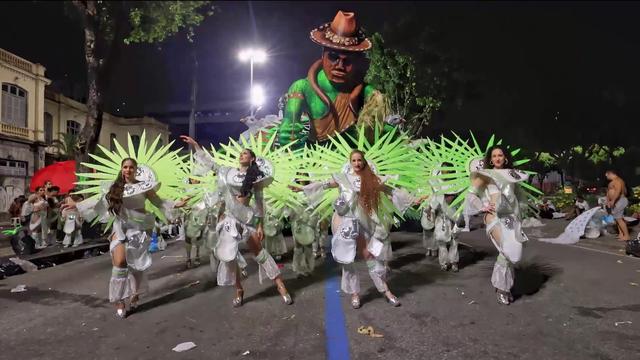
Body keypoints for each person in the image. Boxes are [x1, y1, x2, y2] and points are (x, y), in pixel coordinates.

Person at [62, 158, 186, 318]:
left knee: (135, 266)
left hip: (139, 230)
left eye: (131, 167)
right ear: (122, 169)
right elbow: (98, 201)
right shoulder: (115, 188)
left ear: (136, 170)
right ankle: (119, 299)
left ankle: (134, 294)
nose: (128, 170)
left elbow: (158, 201)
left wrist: (176, 204)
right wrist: (77, 205)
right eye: (125, 167)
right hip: (120, 228)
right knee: (120, 263)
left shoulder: (144, 186)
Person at [182, 135, 293, 307]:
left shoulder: (256, 177)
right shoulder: (227, 172)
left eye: (246, 153)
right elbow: (211, 163)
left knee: (260, 253)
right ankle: (239, 289)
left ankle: (280, 284)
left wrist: (260, 224)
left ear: (252, 159)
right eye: (240, 153)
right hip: (229, 218)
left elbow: (258, 202)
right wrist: (196, 145)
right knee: (229, 257)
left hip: (246, 218)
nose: (241, 155)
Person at [295, 150, 414, 309]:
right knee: (347, 260)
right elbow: (325, 184)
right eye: (354, 160)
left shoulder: (371, 179)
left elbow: (389, 190)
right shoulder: (343, 179)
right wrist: (303, 189)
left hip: (364, 222)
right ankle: (355, 294)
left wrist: (411, 199)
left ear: (364, 162)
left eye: (359, 160)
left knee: (370, 256)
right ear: (350, 162)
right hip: (345, 223)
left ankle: (386, 290)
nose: (357, 163)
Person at [469, 145, 529, 305]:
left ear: (505, 158)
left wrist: (520, 212)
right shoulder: (485, 175)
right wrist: (482, 207)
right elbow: (471, 194)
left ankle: (504, 286)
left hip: (511, 218)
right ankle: (502, 289)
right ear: (490, 159)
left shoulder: (512, 175)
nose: (497, 158)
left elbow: (520, 197)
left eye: (500, 155)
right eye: (494, 156)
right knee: (508, 251)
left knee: (513, 253)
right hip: (494, 218)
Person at [605, 169, 630, 241]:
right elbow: (608, 192)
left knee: (619, 218)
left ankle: (627, 236)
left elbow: (618, 191)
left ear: (610, 174)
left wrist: (613, 200)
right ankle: (621, 234)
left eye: (607, 175)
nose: (606, 177)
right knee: (617, 218)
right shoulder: (612, 182)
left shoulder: (618, 180)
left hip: (619, 201)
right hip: (615, 202)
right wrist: (608, 201)